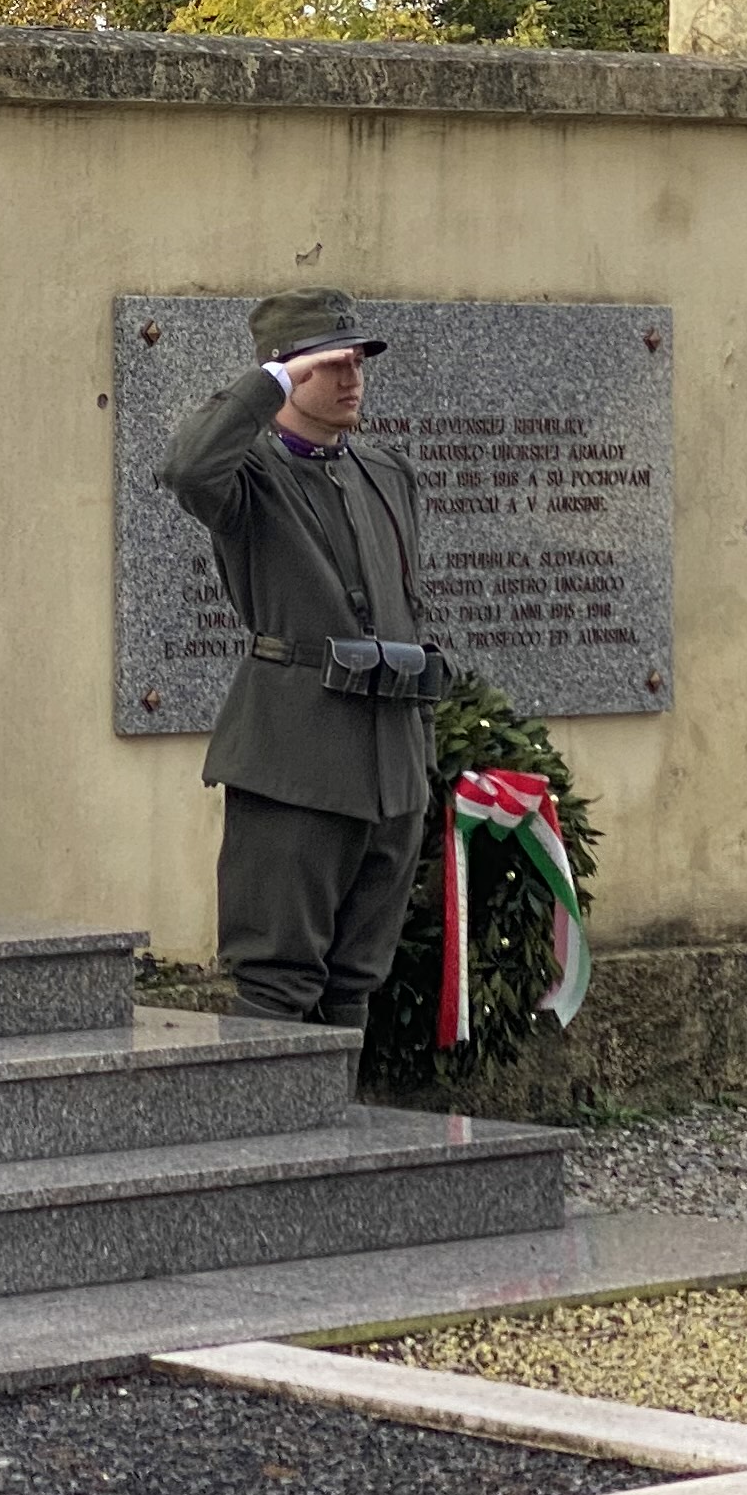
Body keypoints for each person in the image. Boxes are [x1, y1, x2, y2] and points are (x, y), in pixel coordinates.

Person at [158, 289, 443, 1034]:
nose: (351, 378)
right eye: (329, 365)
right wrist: (271, 383)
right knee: (278, 980)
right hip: (296, 758)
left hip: (390, 764)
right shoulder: (249, 477)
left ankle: (339, 1138)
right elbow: (188, 468)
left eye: (358, 363)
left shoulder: (386, 473)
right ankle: (271, 1143)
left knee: (356, 979)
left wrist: (420, 760)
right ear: (285, 373)